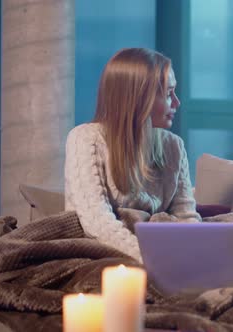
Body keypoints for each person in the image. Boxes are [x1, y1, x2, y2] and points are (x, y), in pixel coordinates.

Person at [64, 48, 201, 262]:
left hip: (161, 250)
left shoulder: (173, 146)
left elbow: (186, 218)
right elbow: (97, 223)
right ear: (140, 98)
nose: (177, 103)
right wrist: (153, 260)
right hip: (104, 253)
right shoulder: (85, 139)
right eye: (168, 94)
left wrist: (198, 256)